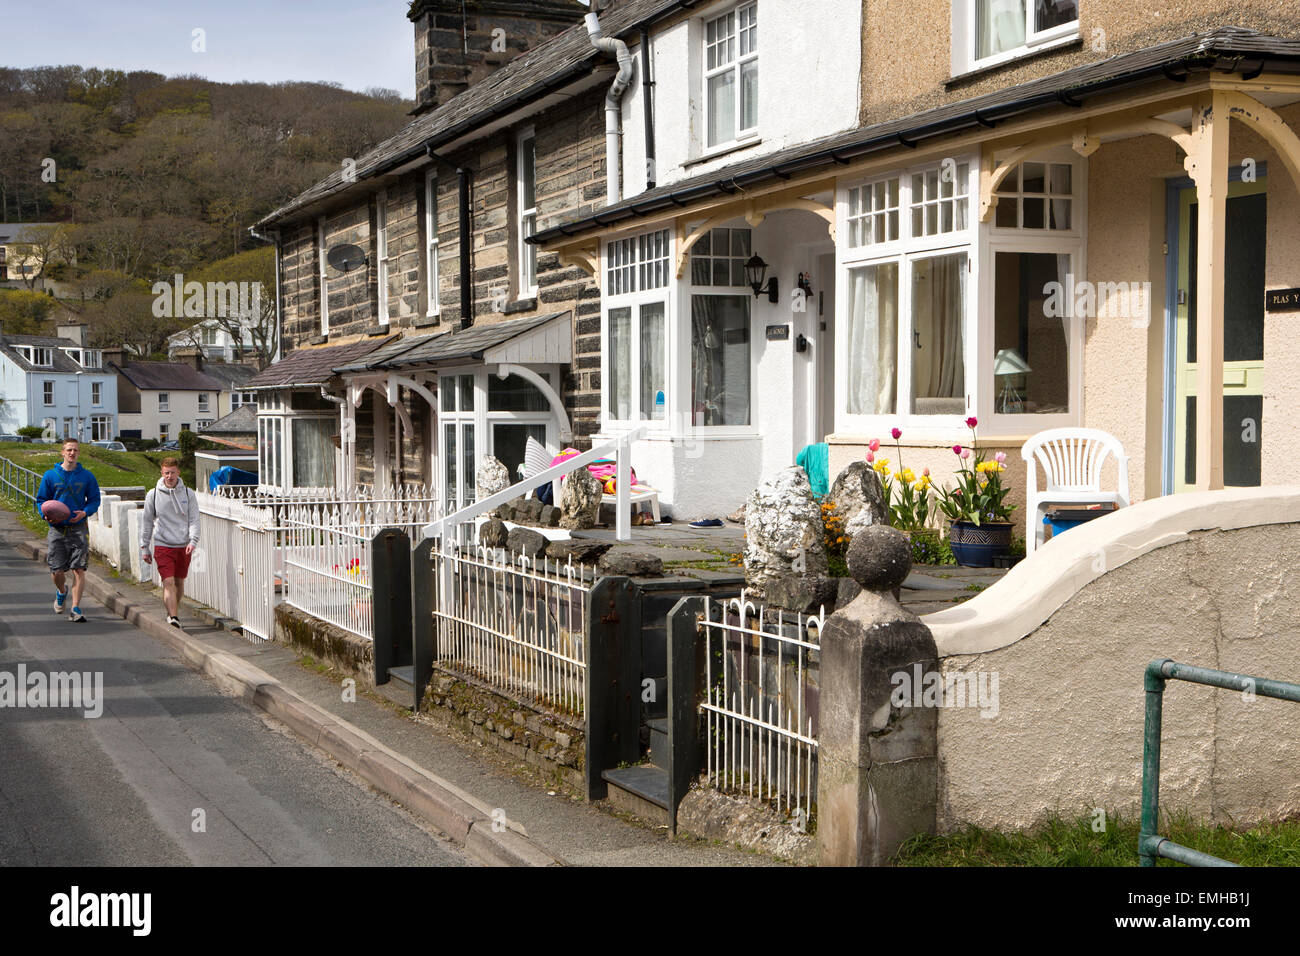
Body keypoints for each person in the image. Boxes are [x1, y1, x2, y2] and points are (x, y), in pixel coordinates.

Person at [35, 437, 101, 623]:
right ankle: (61, 592)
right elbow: (41, 501)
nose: (72, 453)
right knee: (57, 571)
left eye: (75, 450)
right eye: (69, 450)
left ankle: (76, 608)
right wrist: (45, 515)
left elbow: (95, 500)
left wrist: (85, 512)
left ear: (79, 453)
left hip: (78, 528)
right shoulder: (50, 476)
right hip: (57, 529)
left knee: (79, 569)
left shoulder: (87, 476)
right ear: (63, 452)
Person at [140, 458, 201, 629]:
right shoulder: (153, 494)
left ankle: (171, 612)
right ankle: (174, 617)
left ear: (178, 473)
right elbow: (147, 522)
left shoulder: (188, 494)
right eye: (166, 473)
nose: (170, 476)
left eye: (173, 472)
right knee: (168, 582)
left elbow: (194, 519)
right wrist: (145, 547)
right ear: (162, 473)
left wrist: (193, 540)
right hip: (163, 544)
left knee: (179, 582)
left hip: (183, 545)